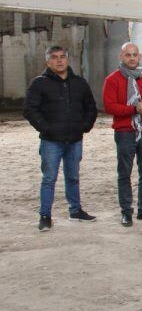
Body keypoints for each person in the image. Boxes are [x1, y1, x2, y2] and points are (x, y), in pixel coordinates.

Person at [23, 45, 98, 231]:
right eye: (54, 57)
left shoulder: (80, 83)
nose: (59, 60)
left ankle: (75, 211)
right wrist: (46, 129)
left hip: (74, 139)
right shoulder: (39, 83)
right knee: (49, 179)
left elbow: (91, 107)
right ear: (48, 61)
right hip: (51, 141)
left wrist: (85, 126)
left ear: (67, 59)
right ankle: (45, 216)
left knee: (73, 177)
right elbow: (29, 110)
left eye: (62, 57)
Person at [103, 42, 142, 226]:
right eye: (128, 55)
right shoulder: (112, 79)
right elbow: (109, 106)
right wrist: (134, 109)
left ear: (139, 57)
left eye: (134, 55)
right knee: (124, 173)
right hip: (125, 132)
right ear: (121, 57)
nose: (131, 58)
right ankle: (126, 212)